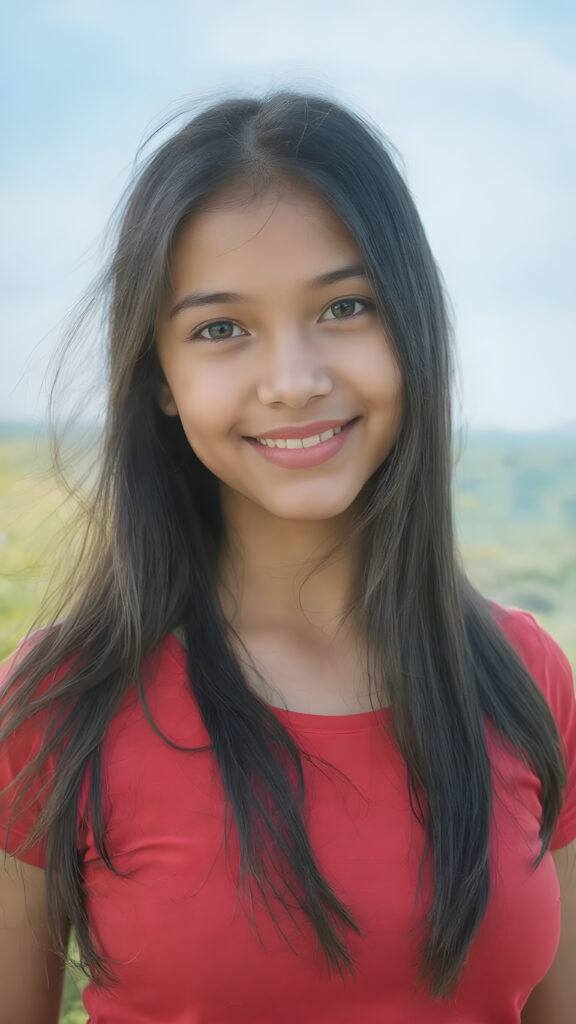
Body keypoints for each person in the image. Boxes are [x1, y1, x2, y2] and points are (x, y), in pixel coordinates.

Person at [0, 89, 574, 1024]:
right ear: (162, 382)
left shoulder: (526, 680)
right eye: (221, 328)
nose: (294, 382)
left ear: (414, 331)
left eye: (345, 306)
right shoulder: (63, 700)